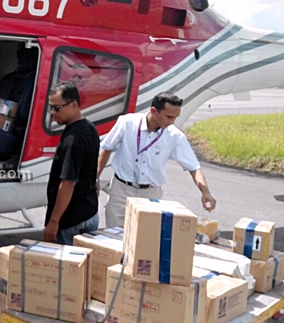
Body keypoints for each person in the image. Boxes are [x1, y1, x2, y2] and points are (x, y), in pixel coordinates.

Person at [97, 91, 217, 228]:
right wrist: (96, 178)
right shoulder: (127, 123)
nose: (172, 122)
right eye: (169, 117)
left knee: (145, 239)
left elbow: (194, 167)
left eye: (175, 118)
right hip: (121, 190)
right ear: (154, 111)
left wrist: (205, 192)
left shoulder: (174, 136)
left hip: (150, 194)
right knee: (114, 237)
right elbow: (106, 149)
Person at [44, 82, 100, 245]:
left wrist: (54, 221)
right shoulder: (90, 128)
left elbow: (68, 182)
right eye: (50, 107)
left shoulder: (72, 139)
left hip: (71, 220)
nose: (52, 113)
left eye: (57, 108)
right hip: (90, 213)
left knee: (66, 270)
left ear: (74, 104)